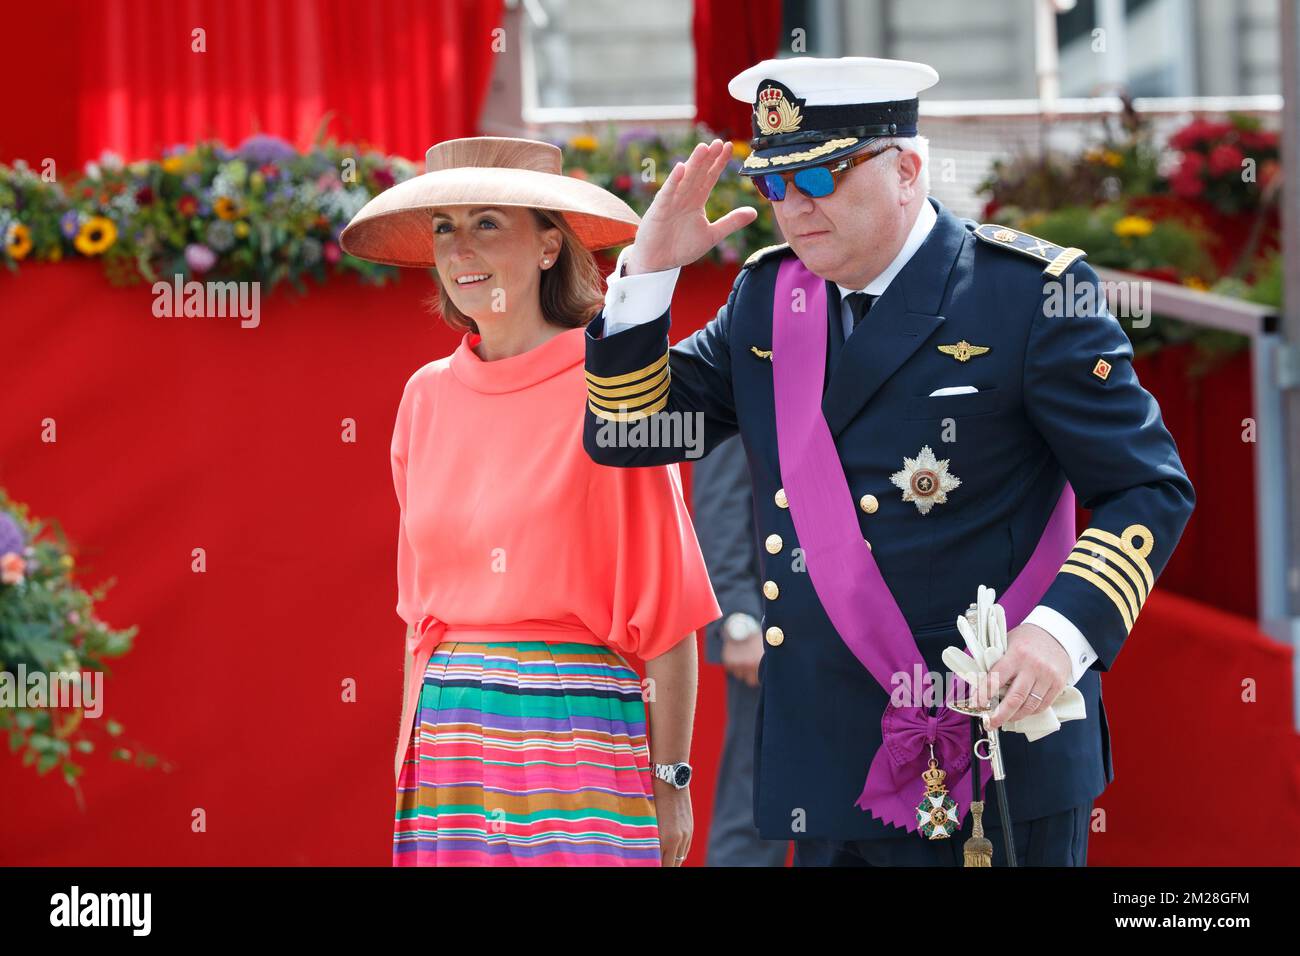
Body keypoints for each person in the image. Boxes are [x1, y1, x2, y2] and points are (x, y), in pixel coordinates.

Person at [582, 57, 1195, 866]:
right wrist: (649, 271)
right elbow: (631, 433)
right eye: (774, 185)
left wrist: (1059, 633)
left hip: (993, 741)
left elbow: (1146, 487)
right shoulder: (769, 299)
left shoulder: (1031, 296)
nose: (794, 208)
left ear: (906, 168)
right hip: (828, 754)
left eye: (819, 176)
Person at [340, 136, 722, 867]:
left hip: (575, 735)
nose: (459, 249)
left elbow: (671, 614)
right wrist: (408, 754)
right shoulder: (423, 397)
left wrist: (672, 779)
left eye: (486, 222)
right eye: (444, 227)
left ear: (550, 246)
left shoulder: (611, 384)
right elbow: (420, 619)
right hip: (448, 737)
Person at [692, 434, 789, 866]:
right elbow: (722, 499)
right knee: (754, 806)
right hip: (772, 632)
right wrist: (739, 617)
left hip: (860, 631)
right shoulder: (753, 365)